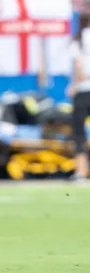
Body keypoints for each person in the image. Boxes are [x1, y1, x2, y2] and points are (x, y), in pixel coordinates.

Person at [67, 12, 90, 182]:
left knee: (79, 133)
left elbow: (78, 65)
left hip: (83, 91)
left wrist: (74, 84)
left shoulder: (79, 39)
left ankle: (81, 171)